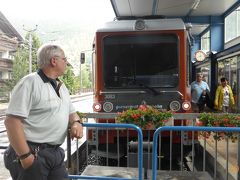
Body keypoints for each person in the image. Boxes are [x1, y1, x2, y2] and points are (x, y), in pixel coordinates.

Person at [4, 44, 83, 180]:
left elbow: (71, 112)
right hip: (33, 153)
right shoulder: (29, 83)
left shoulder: (61, 86)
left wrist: (76, 122)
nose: (67, 64)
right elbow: (11, 122)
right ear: (54, 61)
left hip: (55, 153)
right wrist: (25, 156)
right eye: (64, 60)